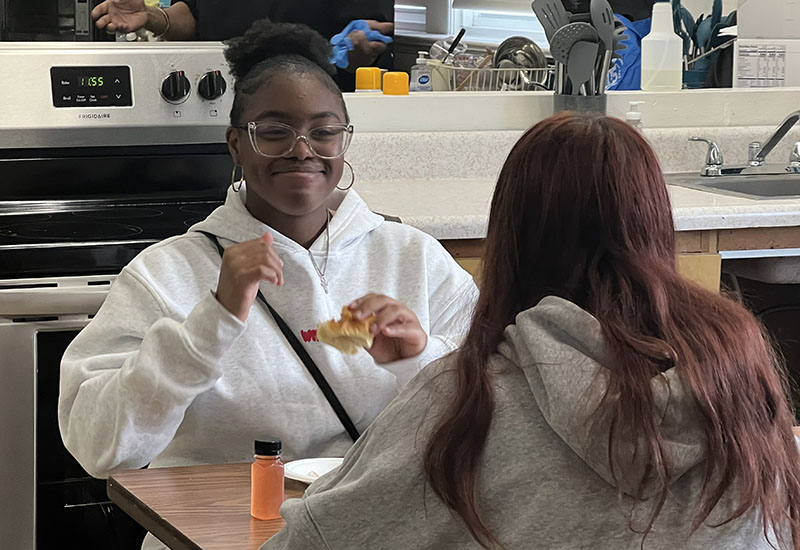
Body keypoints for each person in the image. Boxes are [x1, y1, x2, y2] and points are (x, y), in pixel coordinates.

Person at [261, 112, 800, 550]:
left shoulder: (464, 396)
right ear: (655, 222)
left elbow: (319, 537)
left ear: (511, 237)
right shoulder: (736, 377)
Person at [58, 21, 476, 550]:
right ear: (237, 143)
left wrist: (421, 358)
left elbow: (497, 409)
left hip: (374, 530)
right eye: (275, 131)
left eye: (324, 131)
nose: (303, 150)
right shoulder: (166, 273)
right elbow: (100, 448)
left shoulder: (410, 257)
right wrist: (209, 325)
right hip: (217, 536)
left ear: (344, 142)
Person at [90, 0, 394, 90]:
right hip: (219, 100)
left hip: (306, 112)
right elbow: (193, 15)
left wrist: (356, 46)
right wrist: (152, 17)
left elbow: (364, 39)